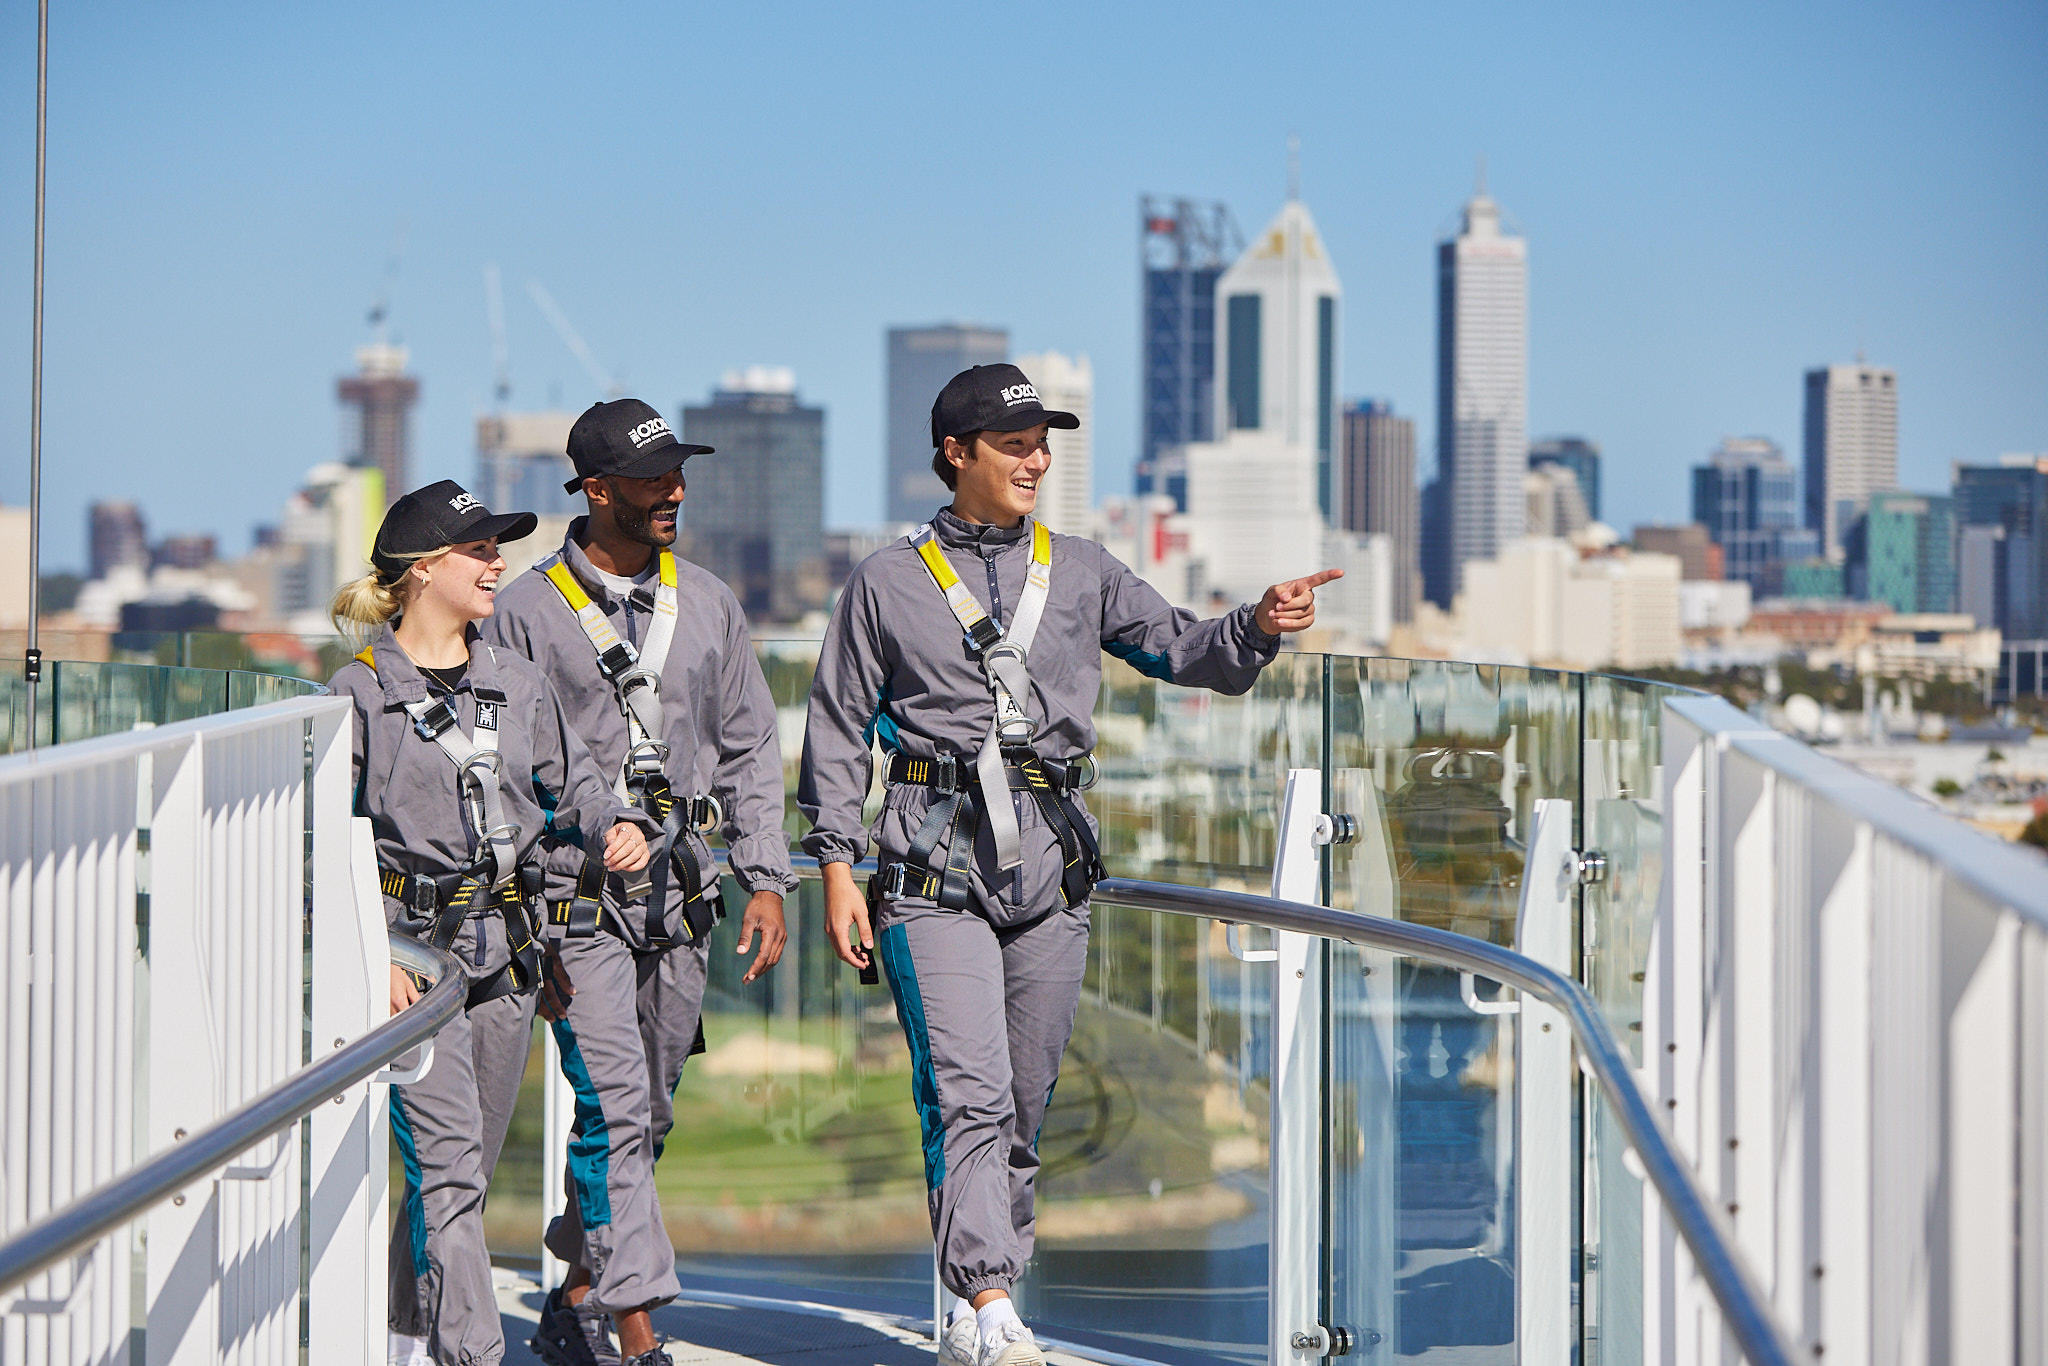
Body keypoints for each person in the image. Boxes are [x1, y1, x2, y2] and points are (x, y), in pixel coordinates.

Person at [798, 364, 1338, 1366]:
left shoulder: (1082, 568)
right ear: (954, 452)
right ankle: (992, 1300)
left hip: (1050, 873)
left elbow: (1180, 648)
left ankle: (971, 1305)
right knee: (965, 1088)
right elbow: (833, 731)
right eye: (1012, 442)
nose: (1035, 457)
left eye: (1042, 440)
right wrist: (834, 866)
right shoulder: (884, 582)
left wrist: (1256, 625)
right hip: (930, 868)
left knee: (1022, 1101)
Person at [484, 399, 796, 1366]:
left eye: (678, 474)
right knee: (616, 1105)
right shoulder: (524, 614)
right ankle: (637, 1333)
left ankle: (576, 1287)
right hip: (576, 907)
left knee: (646, 1113)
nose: (675, 490)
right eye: (653, 478)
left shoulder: (710, 601)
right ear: (594, 489)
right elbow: (507, 769)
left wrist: (768, 877)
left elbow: (749, 746)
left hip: (687, 898)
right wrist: (521, 924)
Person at [328, 480, 654, 1366]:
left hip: (507, 958)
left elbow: (576, 780)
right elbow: (324, 842)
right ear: (423, 569)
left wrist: (613, 825)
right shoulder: (356, 696)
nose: (496, 563)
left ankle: (403, 1338)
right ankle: (474, 1354)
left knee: (459, 1176)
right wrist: (371, 959)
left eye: (498, 548)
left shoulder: (516, 681)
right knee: (449, 1169)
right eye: (479, 550)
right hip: (414, 967)